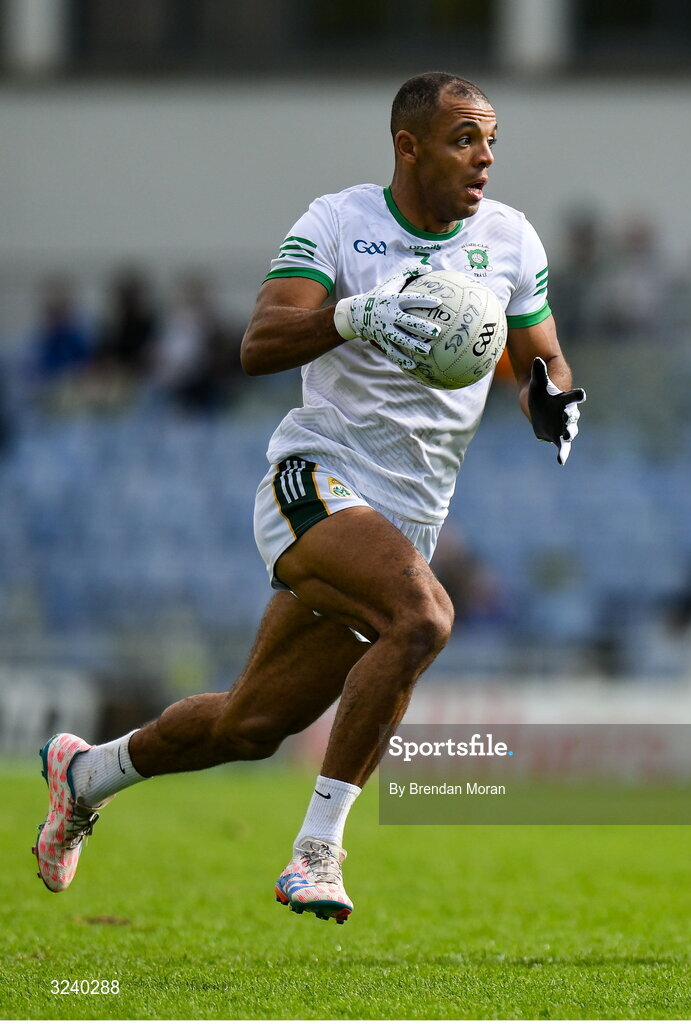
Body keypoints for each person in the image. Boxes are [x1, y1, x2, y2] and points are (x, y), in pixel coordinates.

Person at [34, 72, 585, 924]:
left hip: (407, 521)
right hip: (317, 480)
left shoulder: (510, 240)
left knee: (250, 725)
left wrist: (549, 397)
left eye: (490, 142)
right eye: (463, 140)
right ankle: (316, 852)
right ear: (408, 147)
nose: (483, 159)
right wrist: (354, 317)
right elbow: (258, 342)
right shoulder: (337, 223)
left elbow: (540, 355)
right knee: (426, 620)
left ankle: (85, 775)